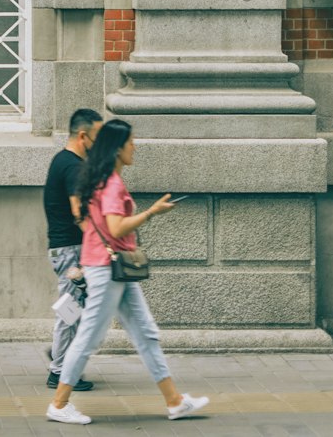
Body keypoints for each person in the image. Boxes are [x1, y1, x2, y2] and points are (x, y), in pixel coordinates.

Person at [46, 118, 210, 426]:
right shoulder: (111, 184)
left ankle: (175, 401)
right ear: (117, 148)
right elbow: (115, 227)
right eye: (131, 142)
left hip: (114, 268)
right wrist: (151, 213)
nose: (135, 146)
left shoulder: (102, 179)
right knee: (89, 336)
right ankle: (58, 403)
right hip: (106, 270)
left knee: (145, 332)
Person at [43, 107, 103, 391]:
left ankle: (60, 356)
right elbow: (79, 214)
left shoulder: (60, 160)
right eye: (97, 138)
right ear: (83, 136)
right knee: (70, 311)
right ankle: (59, 372)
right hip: (70, 250)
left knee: (76, 309)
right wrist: (104, 242)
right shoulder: (74, 167)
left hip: (63, 248)